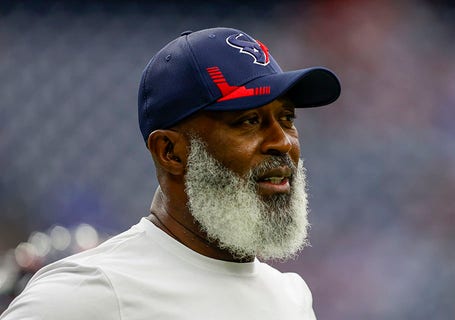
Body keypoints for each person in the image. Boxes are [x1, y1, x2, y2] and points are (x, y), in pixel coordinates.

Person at [0, 27, 340, 319]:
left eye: (287, 118)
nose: (282, 141)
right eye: (249, 121)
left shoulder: (290, 297)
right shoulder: (92, 292)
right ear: (171, 152)